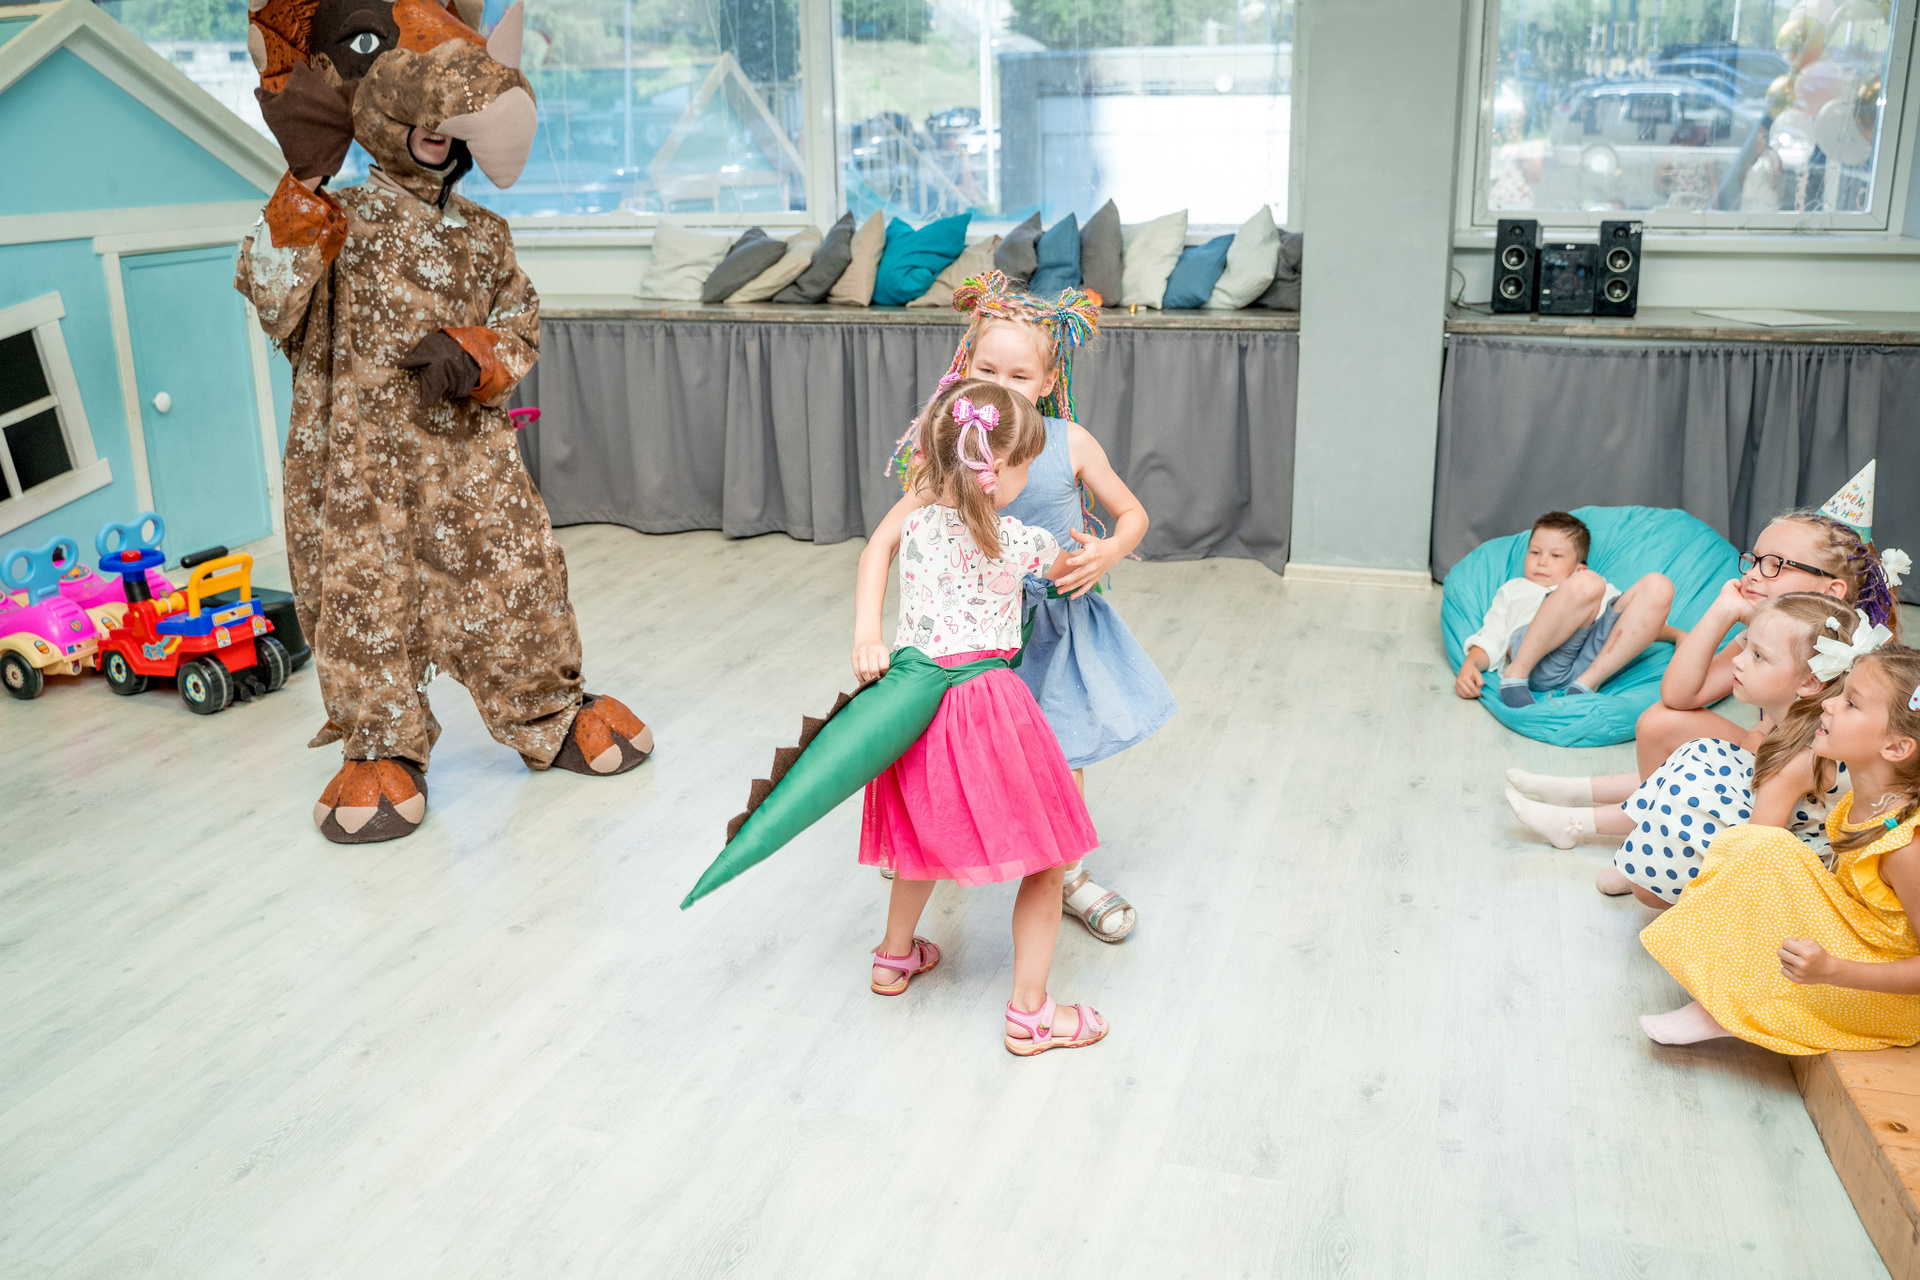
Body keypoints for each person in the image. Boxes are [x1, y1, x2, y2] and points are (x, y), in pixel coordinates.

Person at [236, 0, 651, 844]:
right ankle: (380, 746)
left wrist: (476, 353)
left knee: (518, 578)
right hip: (359, 469)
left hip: (471, 460)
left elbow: (521, 324)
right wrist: (303, 186)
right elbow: (272, 296)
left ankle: (548, 710)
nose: (435, 129)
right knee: (365, 603)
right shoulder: (334, 220)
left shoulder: (488, 236)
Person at [868, 271, 1177, 943]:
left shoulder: (1071, 442)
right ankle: (936, 851)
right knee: (955, 751)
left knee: (1061, 753)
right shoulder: (954, 444)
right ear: (964, 366)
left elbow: (1132, 515)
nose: (1002, 387)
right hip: (976, 637)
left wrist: (1108, 552)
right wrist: (870, 629)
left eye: (1019, 375)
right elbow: (891, 537)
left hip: (1054, 629)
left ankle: (1066, 874)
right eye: (987, 370)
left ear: (1046, 381)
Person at [851, 378, 1109, 1056]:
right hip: (987, 706)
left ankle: (893, 957)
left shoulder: (915, 525)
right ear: (1003, 474)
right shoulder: (1021, 540)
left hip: (917, 708)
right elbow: (1067, 572)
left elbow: (874, 551)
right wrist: (1089, 550)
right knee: (1048, 860)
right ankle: (1032, 1014)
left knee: (922, 837)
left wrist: (867, 634)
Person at [1638, 642, 1920, 1052]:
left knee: (1769, 851)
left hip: (1888, 1001)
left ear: (1895, 747)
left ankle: (1727, 1010)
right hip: (1856, 948)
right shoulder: (1865, 803)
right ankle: (1726, 990)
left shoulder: (1907, 848)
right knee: (1762, 845)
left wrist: (1833, 970)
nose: (1829, 704)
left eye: (1851, 704)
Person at [1507, 596, 1862, 901]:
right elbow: (1754, 744)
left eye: (1758, 656)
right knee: (1699, 755)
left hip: (1793, 866)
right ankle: (1595, 820)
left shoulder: (1801, 759)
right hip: (1779, 821)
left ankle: (1589, 827)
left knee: (1649, 883)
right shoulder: (1802, 711)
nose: (1738, 660)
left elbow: (1756, 854)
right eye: (1746, 645)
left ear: (1810, 682)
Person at [1632, 471, 1907, 779]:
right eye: (1754, 560)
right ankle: (1649, 801)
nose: (1752, 574)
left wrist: (1760, 737)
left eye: (1776, 565)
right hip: (1774, 756)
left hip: (1821, 777)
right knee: (1659, 722)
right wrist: (1722, 611)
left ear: (1830, 590)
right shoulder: (1764, 633)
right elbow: (1677, 696)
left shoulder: (1852, 654)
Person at [1454, 511, 1678, 708]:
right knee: (1589, 583)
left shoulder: (1597, 587)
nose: (1542, 562)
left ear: (1579, 567)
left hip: (1592, 662)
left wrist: (1677, 635)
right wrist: (1470, 664)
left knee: (1658, 586)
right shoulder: (1515, 589)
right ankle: (1516, 675)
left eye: (1556, 556)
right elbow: (1491, 636)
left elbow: (1635, 625)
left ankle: (1586, 685)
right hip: (1538, 662)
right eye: (1535, 552)